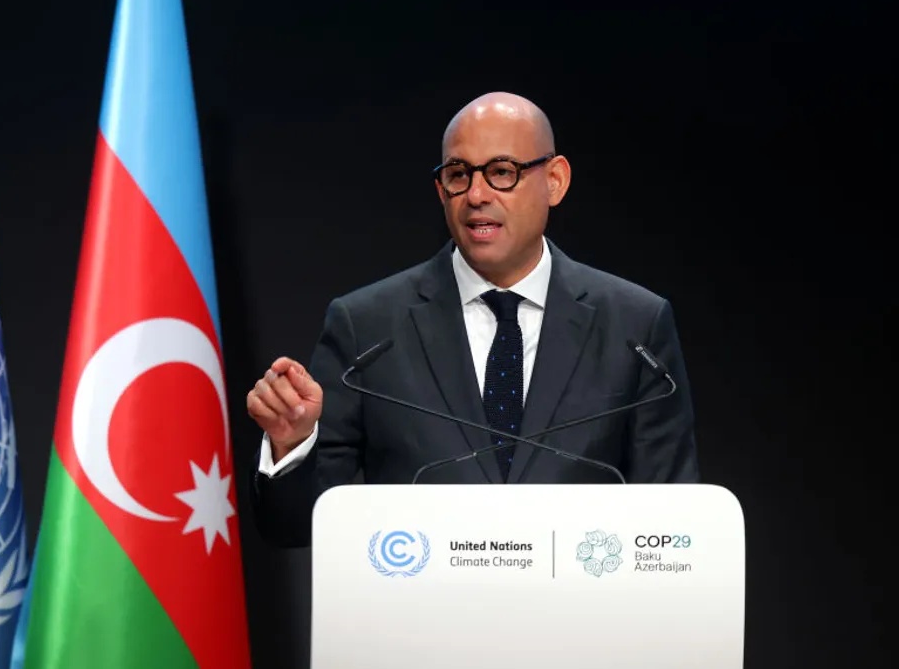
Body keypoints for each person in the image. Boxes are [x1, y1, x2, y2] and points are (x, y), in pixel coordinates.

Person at [246, 92, 699, 548]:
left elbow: (673, 529)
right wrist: (292, 445)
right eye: (459, 175)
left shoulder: (634, 327)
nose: (476, 196)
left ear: (555, 181)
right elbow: (295, 528)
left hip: (579, 614)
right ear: (441, 190)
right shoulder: (367, 327)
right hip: (422, 613)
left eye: (502, 172)